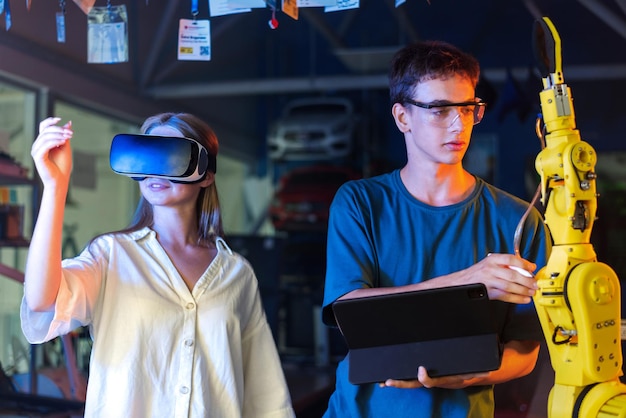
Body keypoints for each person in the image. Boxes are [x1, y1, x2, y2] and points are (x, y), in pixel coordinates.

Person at [321, 41, 551, 417]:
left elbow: (525, 351)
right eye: (439, 109)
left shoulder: (518, 222)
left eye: (467, 108)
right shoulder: (360, 203)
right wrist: (469, 282)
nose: (459, 123)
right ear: (402, 117)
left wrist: (468, 377)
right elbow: (352, 317)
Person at [21, 113, 295, 418]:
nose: (155, 171)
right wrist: (55, 188)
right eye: (148, 155)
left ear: (206, 174)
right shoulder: (111, 256)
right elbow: (41, 299)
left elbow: (265, 393)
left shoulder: (236, 273)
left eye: (172, 156)